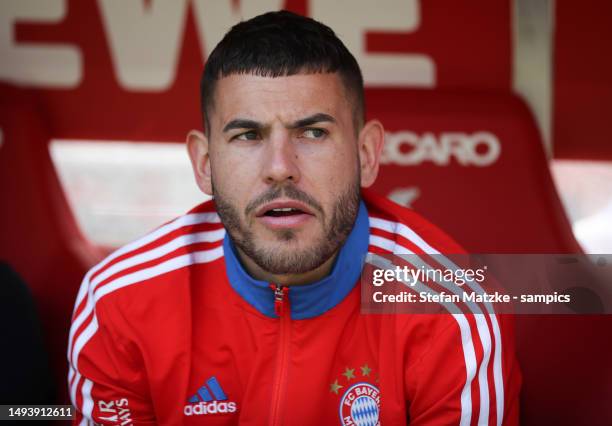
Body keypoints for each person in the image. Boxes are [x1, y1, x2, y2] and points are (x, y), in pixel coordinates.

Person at [67, 10, 520, 425]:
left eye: (313, 132)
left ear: (367, 154)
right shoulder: (117, 306)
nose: (280, 166)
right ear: (204, 164)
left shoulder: (454, 312)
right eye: (248, 135)